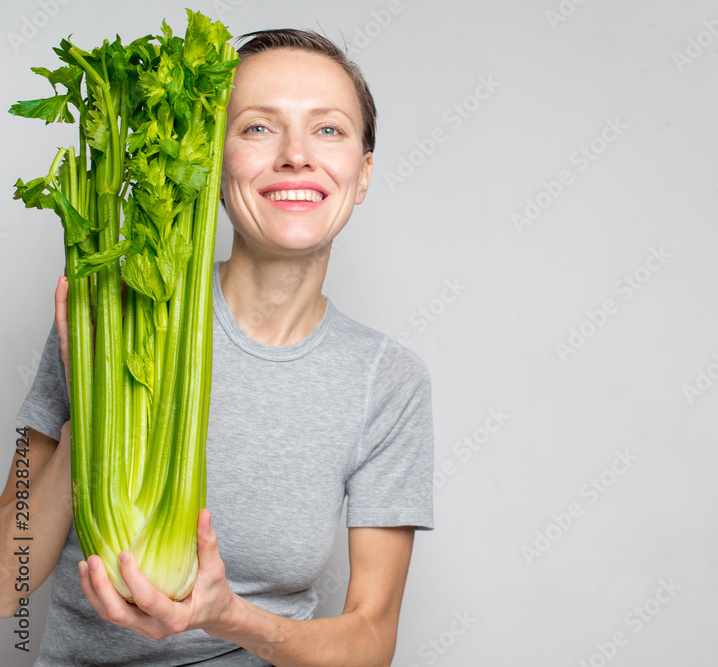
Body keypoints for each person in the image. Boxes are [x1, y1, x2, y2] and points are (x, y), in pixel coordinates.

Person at [0, 28, 434, 666]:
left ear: (362, 173)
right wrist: (85, 409)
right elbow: (6, 582)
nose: (295, 156)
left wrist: (227, 614)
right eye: (258, 127)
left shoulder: (389, 381)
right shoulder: (114, 312)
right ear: (209, 160)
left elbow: (370, 644)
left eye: (329, 130)